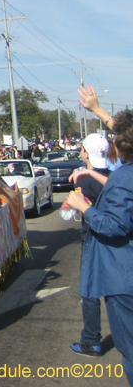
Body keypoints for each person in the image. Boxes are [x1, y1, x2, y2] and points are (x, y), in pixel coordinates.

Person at [65, 110, 133, 385]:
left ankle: (91, 340)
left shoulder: (122, 178)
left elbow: (115, 225)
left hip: (120, 274)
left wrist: (84, 208)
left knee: (128, 347)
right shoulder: (118, 175)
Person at [68, 134, 112, 357]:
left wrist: (69, 205)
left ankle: (91, 340)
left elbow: (71, 212)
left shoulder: (82, 180)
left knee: (90, 291)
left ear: (85, 152)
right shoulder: (115, 176)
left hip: (92, 239)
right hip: (116, 240)